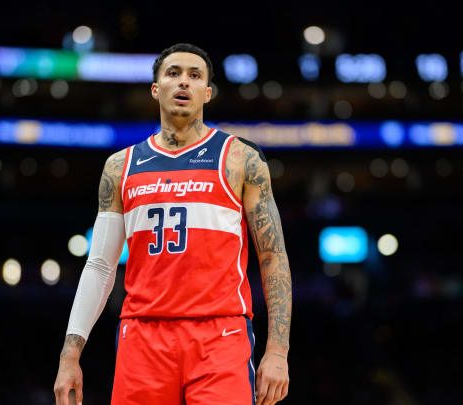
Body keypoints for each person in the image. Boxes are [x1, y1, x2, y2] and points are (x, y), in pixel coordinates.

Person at [53, 43, 292, 405]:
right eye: (173, 73)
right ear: (155, 88)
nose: (184, 82)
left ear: (207, 93)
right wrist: (70, 355)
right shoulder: (120, 166)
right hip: (143, 336)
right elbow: (101, 266)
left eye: (195, 76)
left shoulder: (240, 159)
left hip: (221, 333)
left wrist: (277, 351)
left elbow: (273, 256)